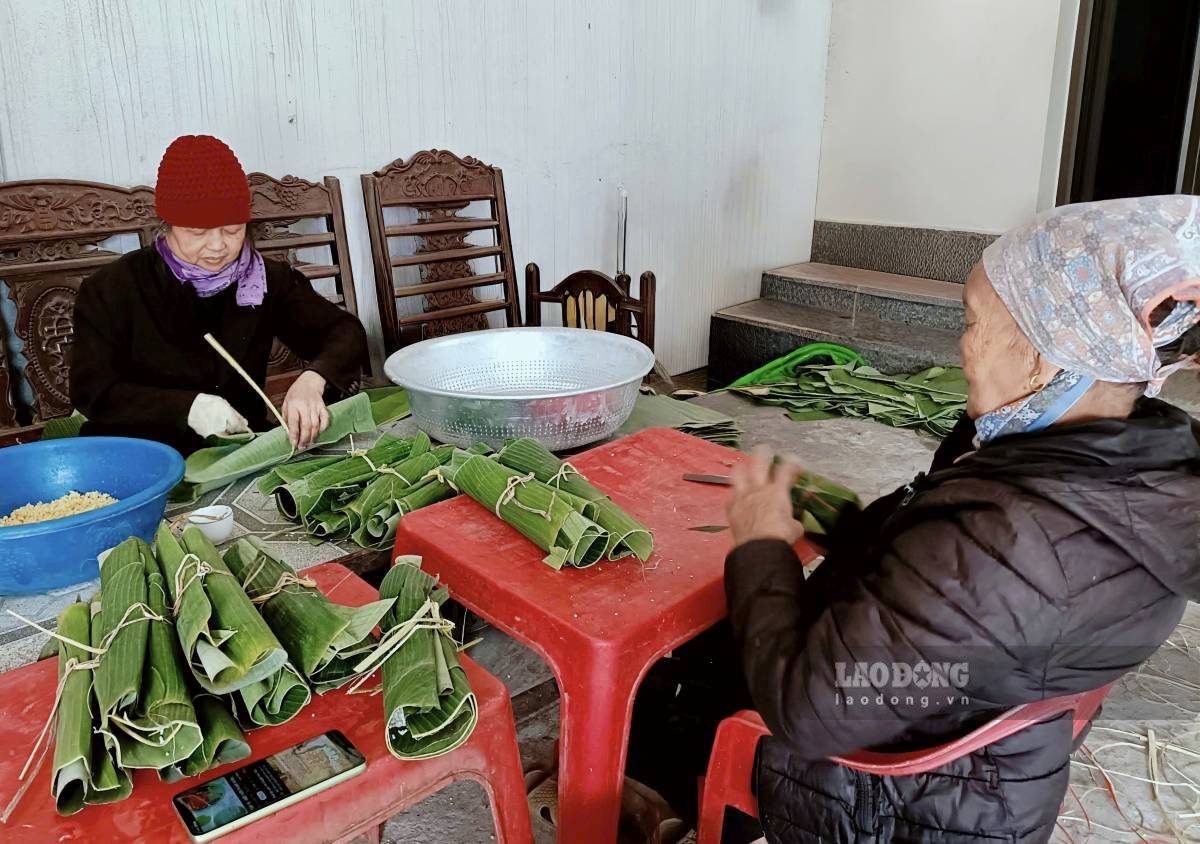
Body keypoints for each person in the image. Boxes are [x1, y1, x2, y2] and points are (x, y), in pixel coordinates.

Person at [629, 196, 1200, 843]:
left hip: (897, 803)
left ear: (1041, 357)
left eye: (973, 322)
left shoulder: (1008, 543)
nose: (961, 346)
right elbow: (940, 589)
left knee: (672, 666)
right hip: (991, 768)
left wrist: (763, 546)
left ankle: (656, 802)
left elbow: (808, 713)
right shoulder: (1135, 461)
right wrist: (850, 526)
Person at [70, 135, 368, 454]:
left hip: (237, 451)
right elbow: (93, 391)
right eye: (197, 232)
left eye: (232, 230)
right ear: (167, 226)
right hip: (143, 455)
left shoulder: (263, 279)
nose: (217, 246)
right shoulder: (113, 288)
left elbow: (344, 332)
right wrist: (188, 408)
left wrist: (314, 379)